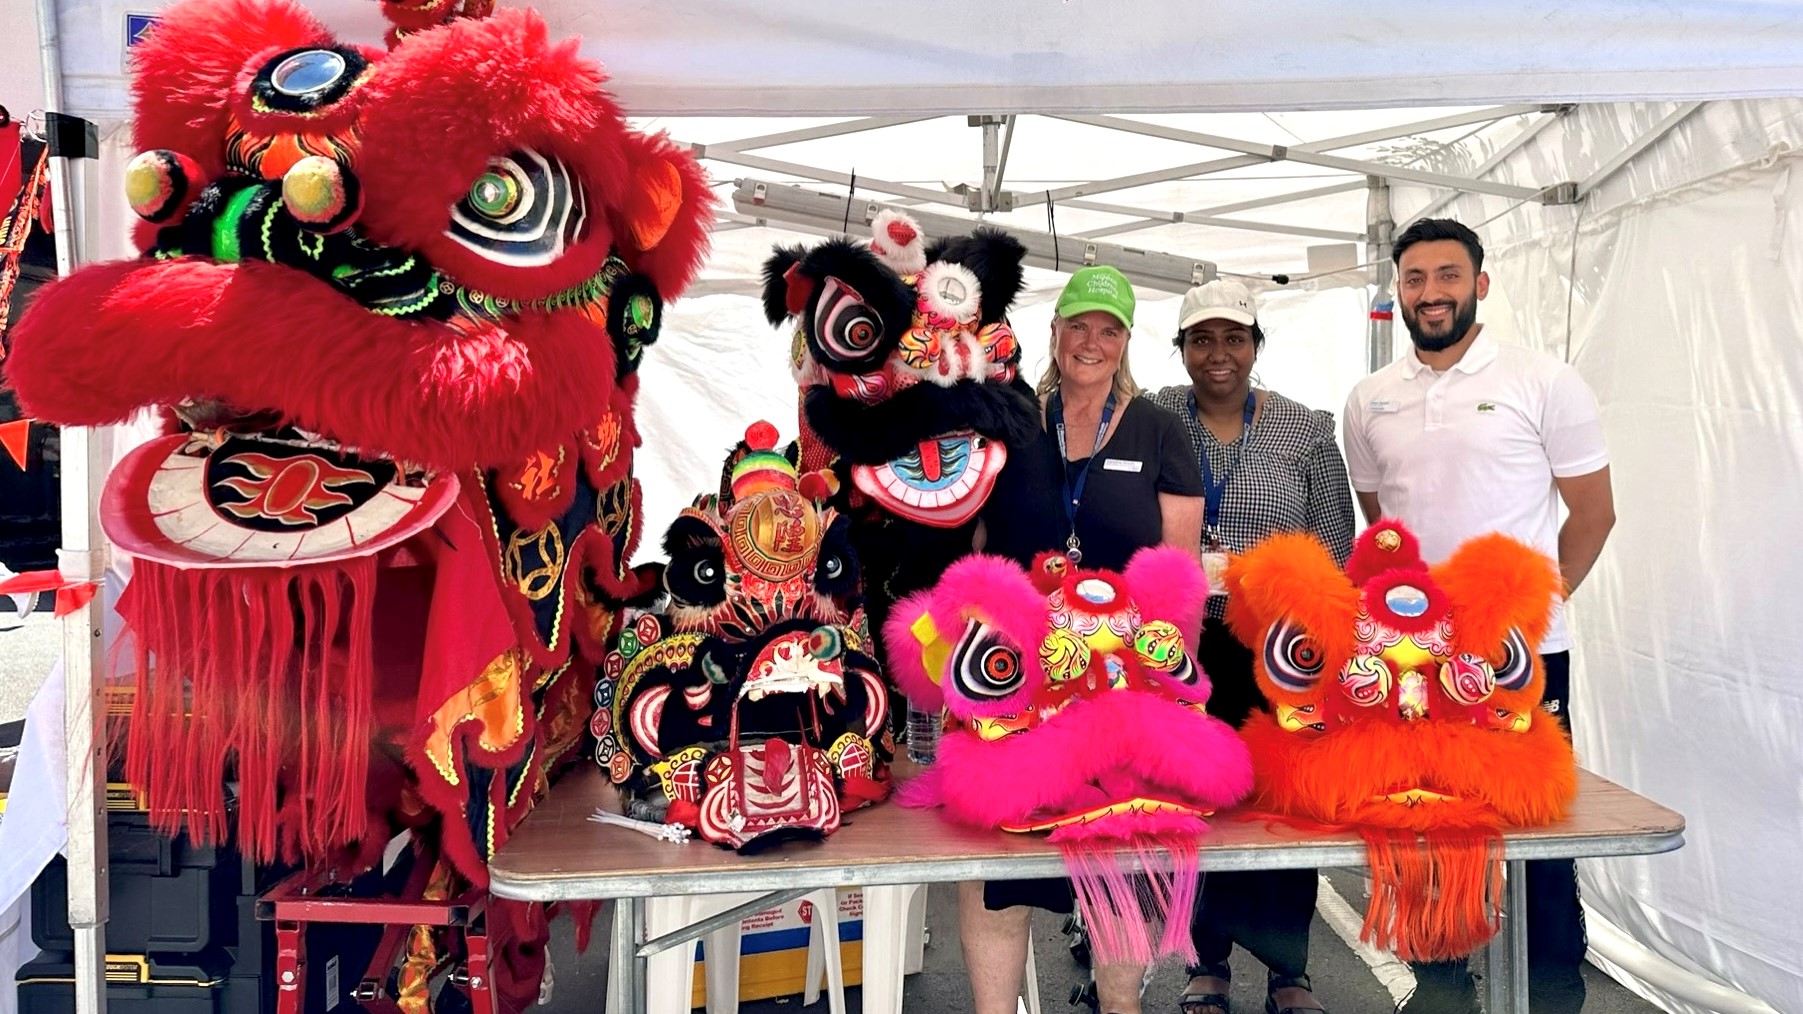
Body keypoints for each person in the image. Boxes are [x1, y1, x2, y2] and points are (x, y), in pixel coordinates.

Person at [1341, 218, 1616, 1014]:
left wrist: (1533, 610)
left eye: (1447, 276)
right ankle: (1438, 981)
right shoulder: (1370, 398)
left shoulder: (1543, 380)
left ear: (1480, 285)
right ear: (1397, 292)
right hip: (1411, 660)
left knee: (1534, 830)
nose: (1431, 293)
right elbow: (1381, 515)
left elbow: (1593, 514)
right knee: (1422, 824)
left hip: (1520, 656)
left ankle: (1553, 987)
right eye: (1415, 278)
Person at [960, 264, 1204, 1014]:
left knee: (1118, 860)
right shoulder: (1010, 418)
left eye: (1110, 329)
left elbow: (1178, 570)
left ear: (1125, 340)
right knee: (1000, 864)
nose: (1091, 342)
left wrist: (1170, 688)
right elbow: (974, 548)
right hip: (1017, 681)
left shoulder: (1157, 427)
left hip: (1119, 689)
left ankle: (1120, 1006)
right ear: (1055, 331)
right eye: (1079, 325)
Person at [1151, 278, 1354, 1014]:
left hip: (1278, 650)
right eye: (1200, 339)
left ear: (1255, 347)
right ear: (1180, 350)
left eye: (1233, 338)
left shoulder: (1304, 429)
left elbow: (1334, 542)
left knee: (1281, 807)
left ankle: (1288, 971)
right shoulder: (1153, 419)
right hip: (1180, 646)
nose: (1217, 354)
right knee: (1197, 805)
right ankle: (1205, 961)